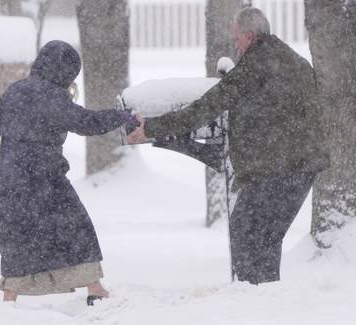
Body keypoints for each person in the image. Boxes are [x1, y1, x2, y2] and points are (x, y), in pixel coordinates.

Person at [128, 8, 329, 284]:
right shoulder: (296, 62)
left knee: (245, 230)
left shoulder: (255, 63)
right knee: (266, 237)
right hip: (304, 167)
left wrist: (150, 128)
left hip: (276, 167)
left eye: (236, 39)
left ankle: (251, 299)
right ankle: (266, 297)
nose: (235, 45)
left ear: (249, 36)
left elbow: (206, 107)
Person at [0, 40, 139, 304]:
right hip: (44, 179)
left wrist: (19, 127)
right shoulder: (51, 96)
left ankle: (9, 297)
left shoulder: (16, 90)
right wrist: (122, 117)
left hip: (10, 180)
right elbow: (86, 123)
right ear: (67, 72)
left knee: (17, 236)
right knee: (75, 228)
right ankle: (94, 287)